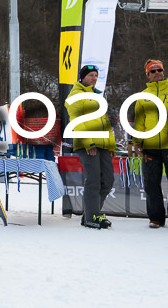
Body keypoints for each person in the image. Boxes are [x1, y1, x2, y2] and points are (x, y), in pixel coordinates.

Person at [65, 64, 116, 229]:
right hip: (87, 144)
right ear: (83, 77)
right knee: (93, 180)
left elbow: (105, 123)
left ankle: (90, 214)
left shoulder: (97, 96)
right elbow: (76, 121)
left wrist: (111, 145)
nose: (94, 78)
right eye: (91, 75)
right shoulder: (76, 94)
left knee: (108, 180)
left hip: (103, 144)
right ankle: (93, 217)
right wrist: (88, 143)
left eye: (96, 76)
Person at [133, 60, 168, 228]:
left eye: (159, 70)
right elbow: (139, 122)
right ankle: (156, 218)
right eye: (153, 71)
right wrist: (137, 143)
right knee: (151, 184)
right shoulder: (142, 96)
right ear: (147, 75)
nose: (157, 73)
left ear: (164, 71)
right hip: (150, 147)